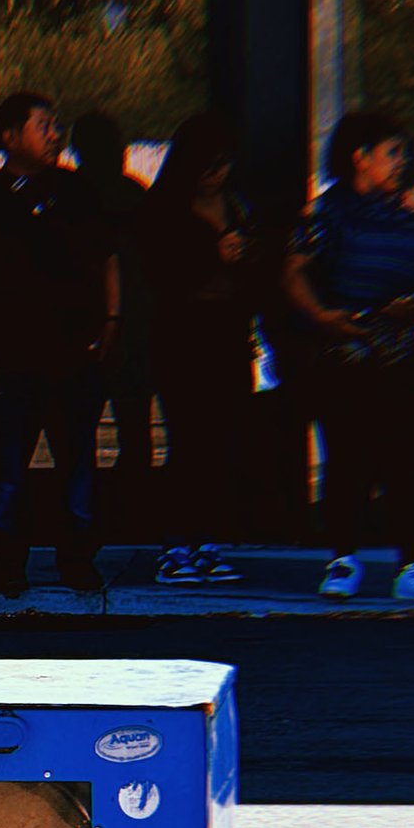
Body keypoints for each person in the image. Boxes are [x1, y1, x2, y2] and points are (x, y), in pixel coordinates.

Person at [281, 110, 414, 605]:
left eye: (404, 152)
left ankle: (412, 564)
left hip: (408, 354)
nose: (401, 161)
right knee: (347, 458)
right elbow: (293, 271)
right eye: (392, 152)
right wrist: (323, 317)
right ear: (359, 158)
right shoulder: (329, 213)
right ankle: (343, 559)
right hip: (347, 354)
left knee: (409, 458)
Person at [0, 92, 120, 596]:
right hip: (11, 357)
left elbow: (108, 258)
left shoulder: (77, 191)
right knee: (7, 468)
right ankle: (8, 564)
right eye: (44, 125)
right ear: (10, 135)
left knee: (78, 463)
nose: (54, 134)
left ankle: (79, 560)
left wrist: (112, 321)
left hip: (74, 353)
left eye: (56, 125)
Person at [138, 112, 258, 585]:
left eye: (225, 164)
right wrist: (214, 255)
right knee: (187, 441)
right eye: (210, 166)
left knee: (222, 441)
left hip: (227, 334)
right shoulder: (163, 208)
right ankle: (174, 544)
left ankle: (208, 539)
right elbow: (158, 276)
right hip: (182, 338)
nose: (218, 174)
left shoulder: (235, 204)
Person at [71, 111, 153, 514]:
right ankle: (132, 502)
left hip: (82, 325)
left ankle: (86, 508)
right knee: (134, 426)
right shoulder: (134, 195)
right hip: (133, 326)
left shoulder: (70, 196)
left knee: (78, 427)